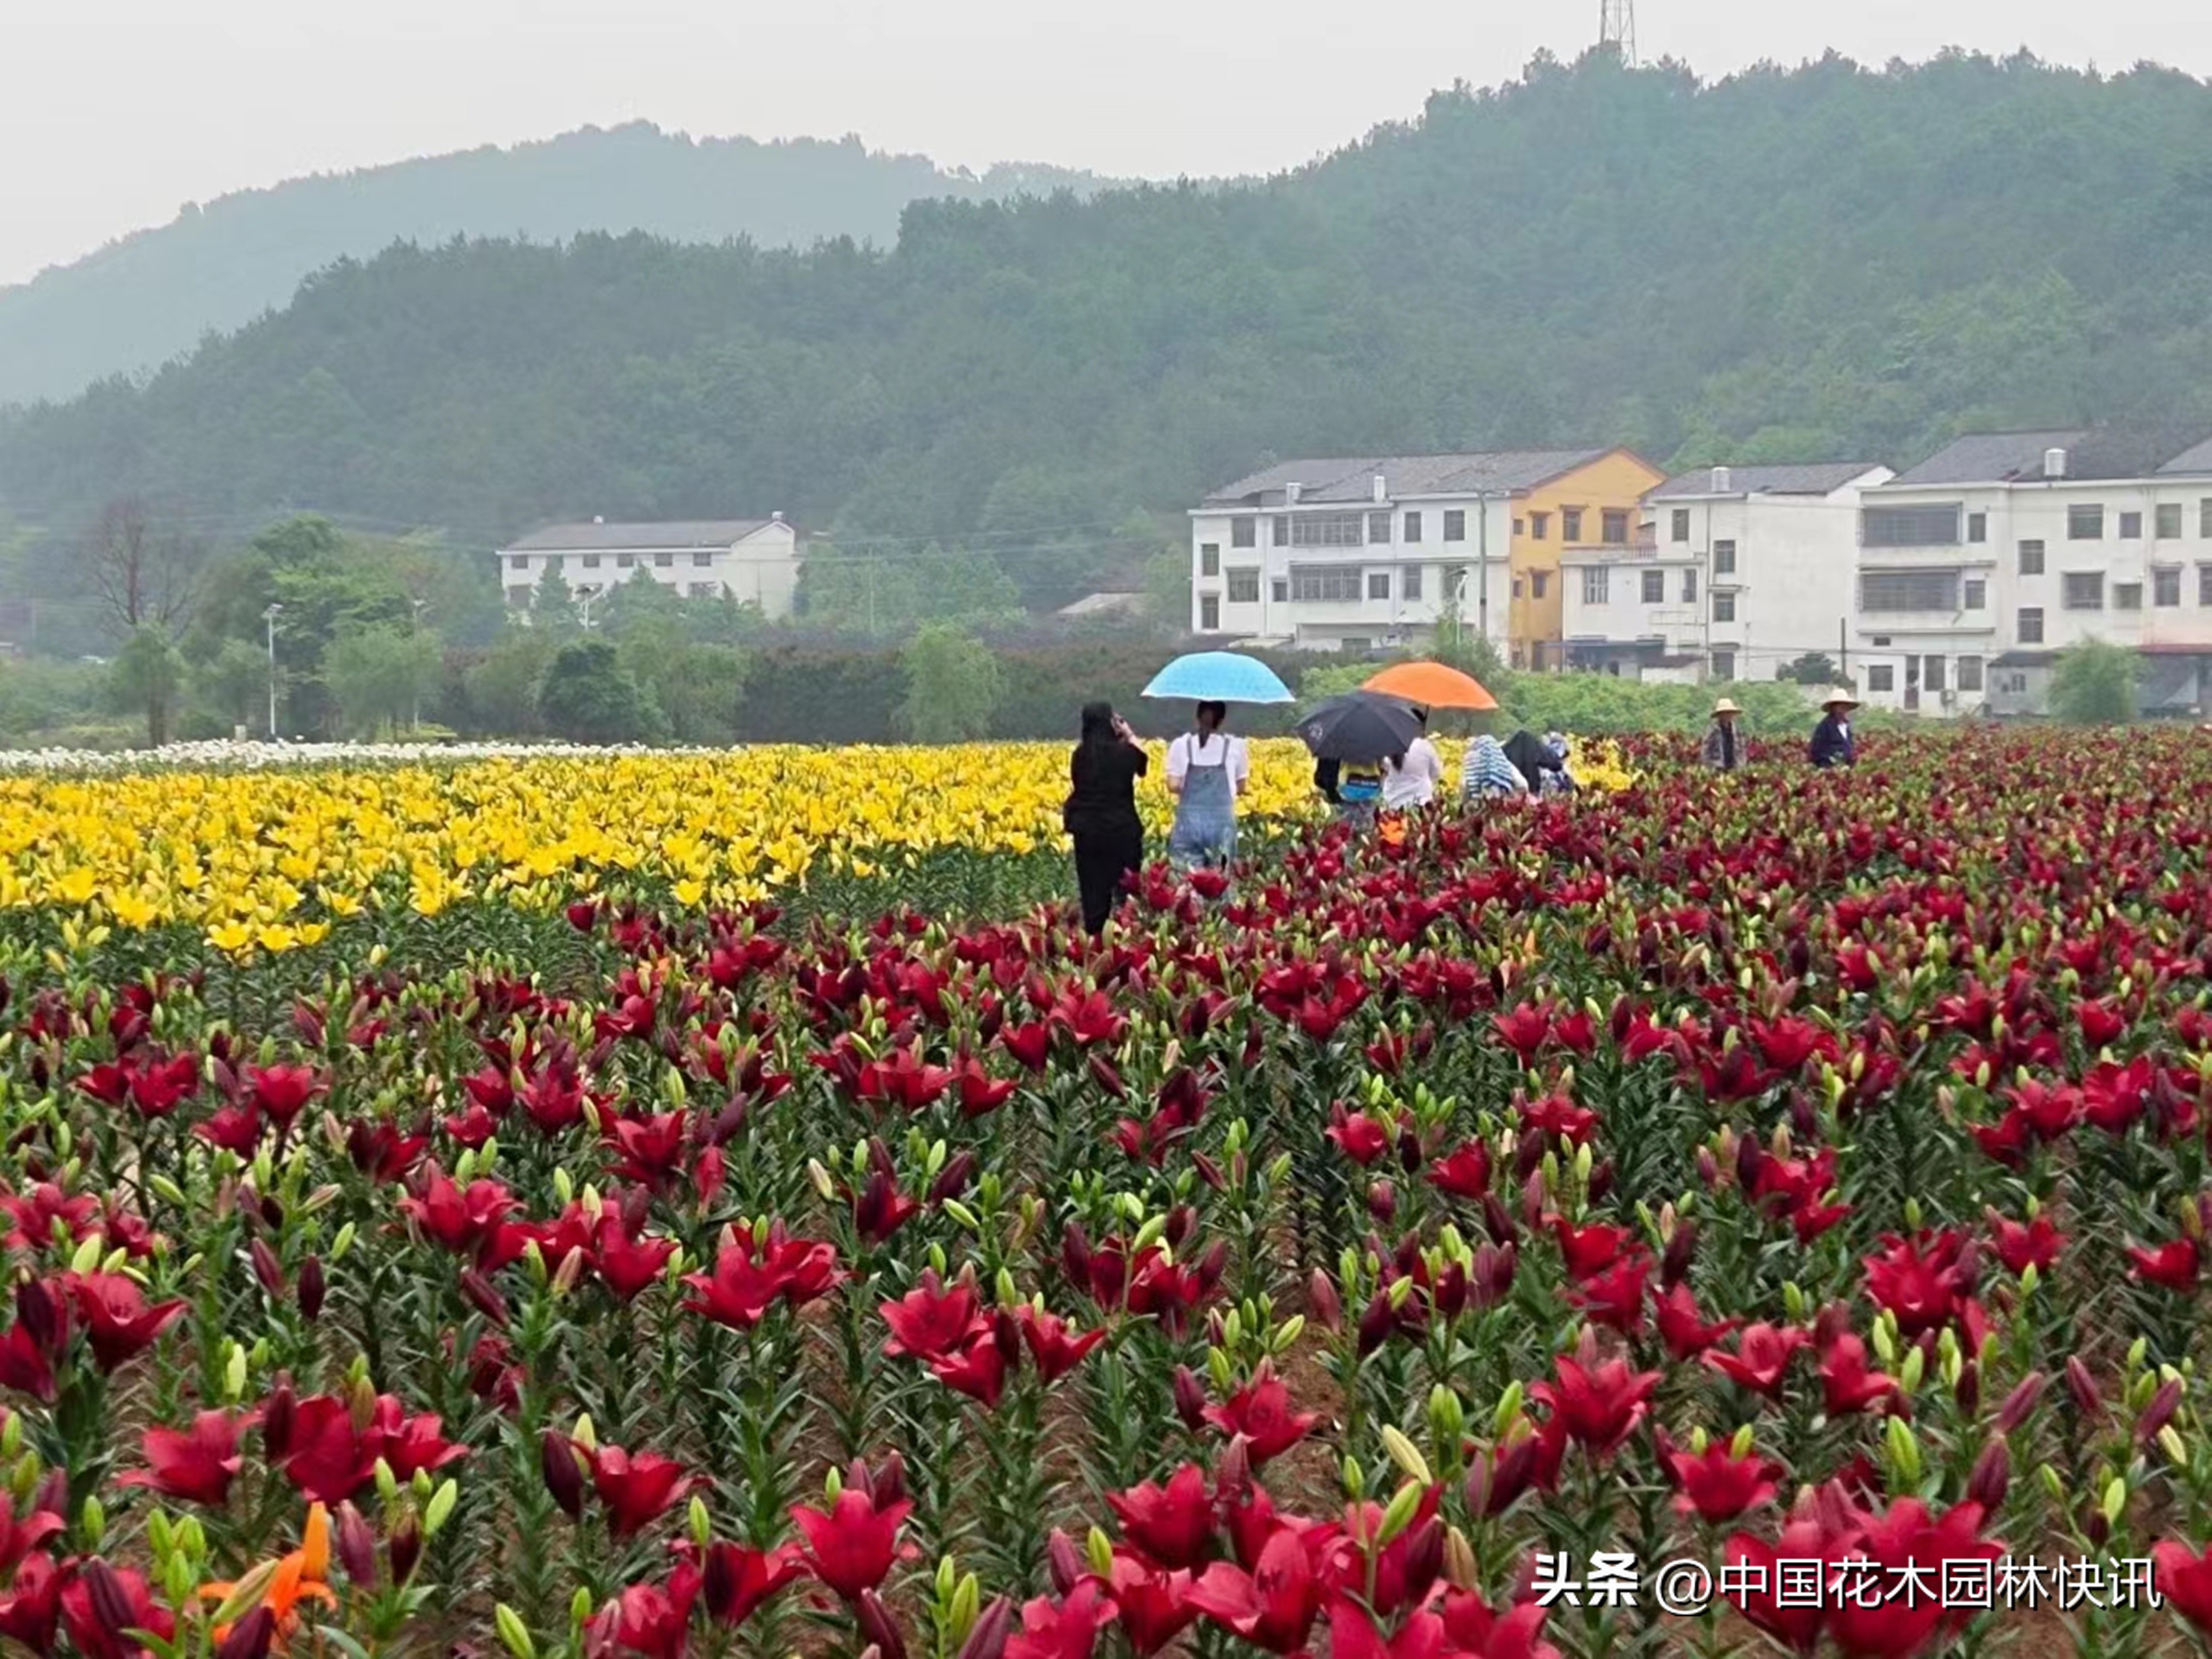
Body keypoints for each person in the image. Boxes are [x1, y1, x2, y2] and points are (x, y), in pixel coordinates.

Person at [1064, 702, 1148, 936]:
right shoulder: (1124, 753)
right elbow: (1142, 764)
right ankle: (1126, 941)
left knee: (1093, 894)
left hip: (1088, 833)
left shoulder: (1080, 756)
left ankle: (1094, 944)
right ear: (1110, 723)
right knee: (1127, 894)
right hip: (1122, 831)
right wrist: (1128, 734)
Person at [1166, 701, 1247, 869]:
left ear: (1197, 716)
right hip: (1222, 823)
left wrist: (1196, 792)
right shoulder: (1236, 745)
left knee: (1187, 881)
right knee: (1220, 880)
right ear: (1222, 719)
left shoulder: (1181, 745)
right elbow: (1242, 787)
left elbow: (1173, 785)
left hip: (1188, 823)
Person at [1381, 708, 1443, 812]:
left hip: (1394, 806)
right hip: (1422, 805)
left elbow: (1384, 769)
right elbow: (1436, 773)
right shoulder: (1425, 746)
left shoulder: (1390, 744)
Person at [1461, 733, 1530, 801]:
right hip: (1503, 809)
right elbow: (1524, 785)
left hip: (1479, 808)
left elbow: (1464, 786)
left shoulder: (1472, 767)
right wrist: (1511, 796)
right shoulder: (1505, 765)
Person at [1809, 689, 1859, 769]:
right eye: (1840, 705)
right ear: (1833, 707)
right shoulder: (1824, 727)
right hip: (1830, 770)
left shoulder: (1846, 727)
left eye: (1845, 705)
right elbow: (1816, 752)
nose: (1844, 708)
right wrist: (1831, 764)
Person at [1701, 698, 1744, 772]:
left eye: (1729, 713)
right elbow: (1706, 751)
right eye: (1725, 713)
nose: (1728, 715)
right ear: (1719, 715)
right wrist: (1709, 767)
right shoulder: (1713, 731)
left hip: (1734, 768)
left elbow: (1742, 750)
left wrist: (1741, 765)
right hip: (1717, 768)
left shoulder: (1737, 731)